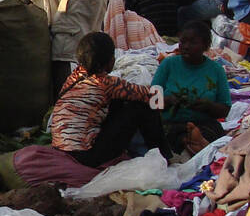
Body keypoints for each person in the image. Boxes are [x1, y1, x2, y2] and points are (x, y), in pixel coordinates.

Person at [51, 31, 165, 167]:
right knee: (140, 106)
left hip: (62, 149)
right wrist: (169, 99)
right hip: (85, 156)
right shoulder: (106, 83)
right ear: (110, 61)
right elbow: (151, 96)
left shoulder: (73, 77)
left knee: (119, 100)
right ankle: (164, 155)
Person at [151, 20, 231, 151]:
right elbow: (153, 101)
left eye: (193, 43)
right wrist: (169, 101)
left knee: (211, 133)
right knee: (170, 136)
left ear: (205, 46)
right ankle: (191, 142)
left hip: (204, 123)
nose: (186, 46)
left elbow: (225, 108)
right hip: (172, 123)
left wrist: (208, 106)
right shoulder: (168, 64)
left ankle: (195, 141)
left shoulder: (216, 70)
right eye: (183, 42)